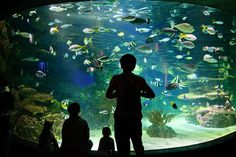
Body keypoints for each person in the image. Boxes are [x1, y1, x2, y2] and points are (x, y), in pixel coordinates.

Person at [106, 54, 155, 157]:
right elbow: (151, 94)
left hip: (121, 117)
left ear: (121, 65)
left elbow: (108, 95)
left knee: (122, 147)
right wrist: (138, 93)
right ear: (134, 66)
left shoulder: (116, 79)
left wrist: (118, 93)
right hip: (135, 117)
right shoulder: (139, 80)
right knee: (138, 144)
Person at [0, 74, 15, 157]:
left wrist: (3, 113)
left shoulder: (8, 95)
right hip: (5, 125)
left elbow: (13, 109)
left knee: (5, 149)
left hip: (5, 126)